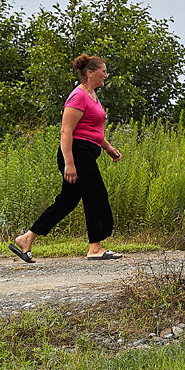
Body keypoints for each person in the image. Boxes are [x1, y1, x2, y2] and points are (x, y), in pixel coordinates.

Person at [9, 55, 123, 262]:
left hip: (87, 152)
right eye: (103, 71)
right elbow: (66, 131)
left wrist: (108, 148)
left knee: (67, 201)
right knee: (96, 196)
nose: (106, 75)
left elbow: (92, 129)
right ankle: (95, 248)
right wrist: (69, 163)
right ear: (90, 73)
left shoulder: (92, 96)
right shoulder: (78, 96)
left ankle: (27, 238)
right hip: (76, 154)